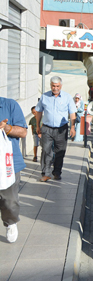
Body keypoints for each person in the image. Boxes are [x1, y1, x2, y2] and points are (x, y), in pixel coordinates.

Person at [35, 76, 76, 182]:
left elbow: (72, 113)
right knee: (46, 150)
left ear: (61, 86)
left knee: (60, 152)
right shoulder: (44, 96)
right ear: (50, 85)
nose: (55, 88)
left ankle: (57, 172)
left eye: (57, 86)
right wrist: (38, 126)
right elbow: (39, 111)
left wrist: (72, 127)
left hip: (61, 129)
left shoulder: (67, 97)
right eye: (53, 86)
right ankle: (46, 173)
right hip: (47, 128)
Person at [0, 97, 28, 243]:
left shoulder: (10, 105)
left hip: (7, 164)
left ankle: (10, 222)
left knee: (9, 201)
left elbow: (23, 132)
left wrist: (6, 128)